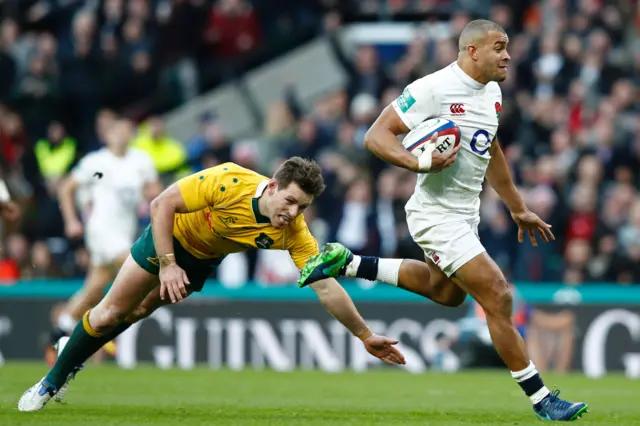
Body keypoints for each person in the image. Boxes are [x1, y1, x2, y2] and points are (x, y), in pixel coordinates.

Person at [298, 20, 588, 422]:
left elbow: (492, 147)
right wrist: (419, 161)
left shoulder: (493, 93)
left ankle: (347, 263)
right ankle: (542, 399)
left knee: (448, 294)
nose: (507, 55)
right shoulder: (431, 89)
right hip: (435, 215)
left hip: (465, 215)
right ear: (472, 51)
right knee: (498, 296)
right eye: (499, 47)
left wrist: (516, 206)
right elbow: (375, 137)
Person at [18, 157, 405, 412]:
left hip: (201, 262)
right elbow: (161, 205)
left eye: (302, 207)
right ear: (272, 186)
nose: (292, 213)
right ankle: (49, 383)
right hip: (166, 240)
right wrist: (168, 264)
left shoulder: (295, 233)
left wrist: (364, 334)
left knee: (135, 312)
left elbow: (325, 286)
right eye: (289, 201)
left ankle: (73, 351)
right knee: (109, 314)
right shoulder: (228, 181)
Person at [50, 119, 162, 361]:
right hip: (101, 231)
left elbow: (155, 189)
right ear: (107, 135)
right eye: (116, 130)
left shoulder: (141, 161)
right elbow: (66, 187)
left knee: (94, 287)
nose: (121, 135)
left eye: (126, 130)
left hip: (124, 232)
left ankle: (61, 328)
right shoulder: (96, 162)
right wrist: (71, 220)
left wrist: (151, 196)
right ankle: (107, 330)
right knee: (137, 266)